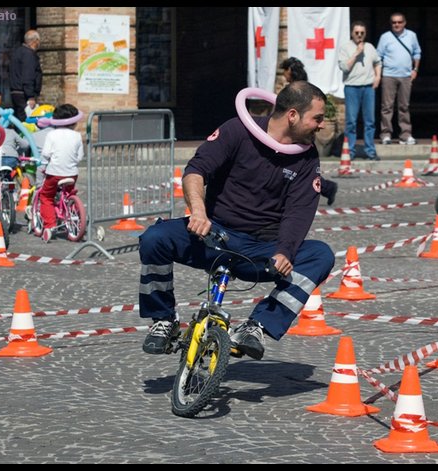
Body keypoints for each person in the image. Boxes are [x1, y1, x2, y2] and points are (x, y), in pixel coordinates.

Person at [139, 81, 336, 360]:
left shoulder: (307, 158)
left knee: (321, 255)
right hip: (213, 235)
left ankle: (256, 326)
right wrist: (197, 211)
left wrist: (286, 250)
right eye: (317, 118)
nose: (322, 125)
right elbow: (196, 171)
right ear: (292, 115)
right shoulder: (237, 130)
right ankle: (163, 320)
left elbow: (300, 210)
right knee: (154, 238)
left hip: (260, 250)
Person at [280, 57, 339, 206]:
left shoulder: (298, 90)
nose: (283, 75)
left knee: (301, 168)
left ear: (290, 71)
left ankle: (327, 187)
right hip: (295, 134)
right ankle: (327, 187)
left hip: (299, 133)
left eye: (284, 71)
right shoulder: (301, 87)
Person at [38, 104, 84, 243]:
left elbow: (46, 154)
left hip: (54, 173)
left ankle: (50, 225)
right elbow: (80, 157)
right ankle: (73, 214)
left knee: (46, 196)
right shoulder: (77, 135)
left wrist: (46, 162)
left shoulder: (51, 134)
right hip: (71, 173)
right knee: (70, 194)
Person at [338, 21, 382, 161]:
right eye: (357, 33)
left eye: (362, 33)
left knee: (370, 121)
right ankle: (350, 151)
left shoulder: (370, 47)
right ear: (352, 33)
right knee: (351, 121)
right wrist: (357, 53)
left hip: (368, 87)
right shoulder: (345, 48)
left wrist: (378, 77)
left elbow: (378, 62)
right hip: (352, 87)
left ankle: (370, 151)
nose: (359, 35)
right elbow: (344, 67)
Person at [376, 12, 421, 146]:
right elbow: (378, 57)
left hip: (406, 75)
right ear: (391, 24)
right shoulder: (385, 37)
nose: (397, 25)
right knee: (387, 107)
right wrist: (379, 74)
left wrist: (415, 69)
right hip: (389, 75)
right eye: (394, 22)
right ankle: (386, 134)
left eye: (399, 22)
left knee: (404, 107)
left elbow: (417, 53)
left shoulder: (412, 36)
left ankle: (405, 135)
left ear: (404, 23)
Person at [0, 113, 29, 191]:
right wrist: (17, 151)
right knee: (9, 176)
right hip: (11, 159)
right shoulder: (11, 132)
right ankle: (12, 194)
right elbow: (25, 145)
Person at [10, 30, 42, 122]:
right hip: (23, 94)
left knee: (18, 120)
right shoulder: (28, 54)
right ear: (35, 41)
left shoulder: (18, 52)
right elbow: (28, 76)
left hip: (16, 92)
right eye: (38, 41)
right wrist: (30, 96)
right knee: (26, 122)